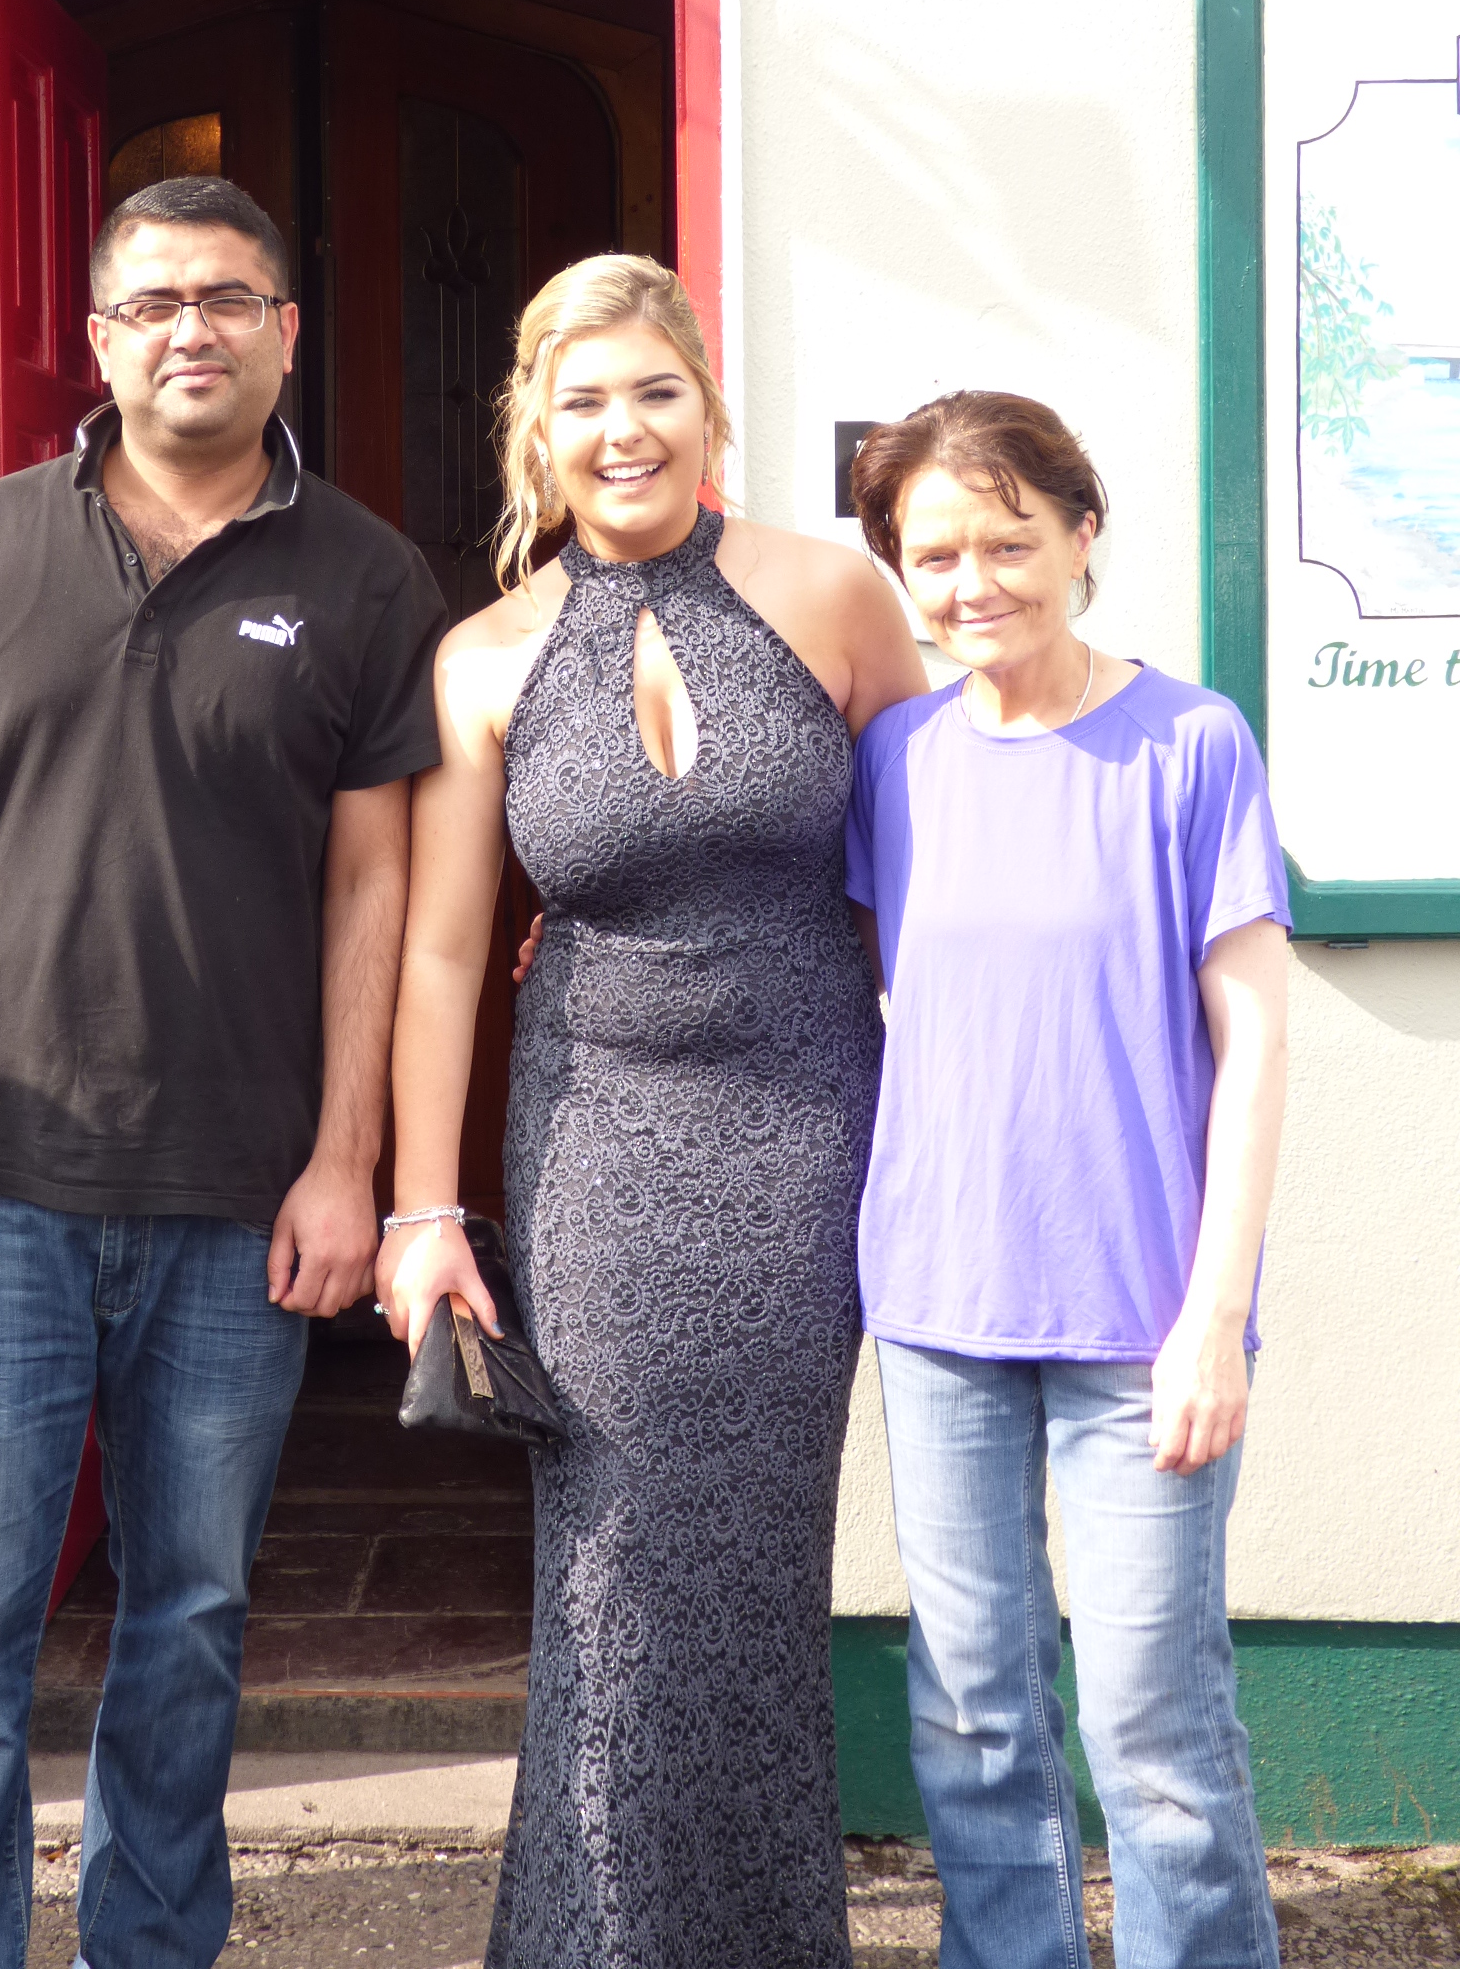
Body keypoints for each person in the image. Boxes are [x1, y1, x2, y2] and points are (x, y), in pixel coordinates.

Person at [0, 175, 446, 1969]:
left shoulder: (367, 577)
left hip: (236, 1193)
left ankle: (151, 1949)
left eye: (229, 298)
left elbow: (377, 890)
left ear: (286, 332)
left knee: (191, 1621)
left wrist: (348, 1161)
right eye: (154, 302)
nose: (192, 330)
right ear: (99, 339)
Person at [378, 254, 927, 1969]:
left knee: (755, 1568)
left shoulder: (836, 596)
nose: (623, 430)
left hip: (808, 1133)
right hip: (594, 1151)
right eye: (584, 401)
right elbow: (443, 954)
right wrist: (422, 1213)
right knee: (608, 1568)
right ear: (534, 432)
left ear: (711, 407)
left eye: (654, 392)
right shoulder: (482, 659)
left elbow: (935, 883)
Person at [845, 390, 1289, 1969]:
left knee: (1152, 1724)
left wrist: (1214, 1318)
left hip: (1140, 1315)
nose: (972, 584)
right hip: (940, 1303)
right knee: (972, 1715)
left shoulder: (1190, 743)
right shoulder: (897, 758)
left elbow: (1255, 1043)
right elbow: (857, 979)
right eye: (935, 556)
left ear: (1083, 534)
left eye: (1009, 543)